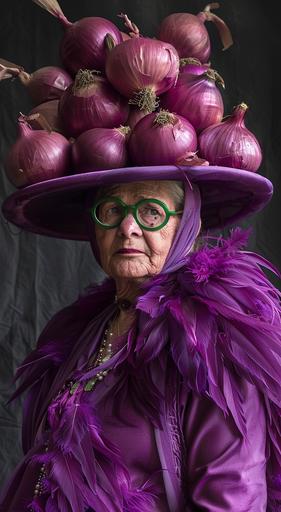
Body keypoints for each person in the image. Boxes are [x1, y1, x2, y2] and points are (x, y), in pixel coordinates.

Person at [1, 164, 281, 511]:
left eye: (151, 211)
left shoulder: (213, 339)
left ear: (188, 227)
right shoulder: (80, 330)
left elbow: (232, 496)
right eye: (112, 210)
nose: (127, 228)